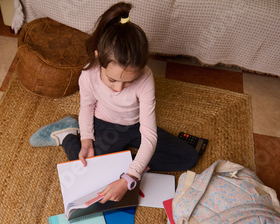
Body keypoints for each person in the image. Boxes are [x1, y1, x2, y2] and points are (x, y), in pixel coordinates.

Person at [30, 2, 198, 203]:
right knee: (88, 169)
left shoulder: (145, 79)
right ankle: (68, 134)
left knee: (189, 158)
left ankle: (125, 161)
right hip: (105, 124)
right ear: (98, 57)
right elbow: (87, 107)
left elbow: (149, 134)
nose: (118, 89)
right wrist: (85, 140)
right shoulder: (88, 74)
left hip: (135, 126)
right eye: (112, 80)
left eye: (129, 81)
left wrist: (129, 177)